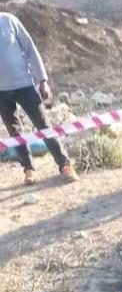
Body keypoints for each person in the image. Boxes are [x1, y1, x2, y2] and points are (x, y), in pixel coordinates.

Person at [0, 12, 78, 184]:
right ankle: (28, 170)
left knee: (43, 125)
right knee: (15, 132)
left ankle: (65, 165)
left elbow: (30, 49)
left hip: (24, 85)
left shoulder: (9, 21)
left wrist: (42, 80)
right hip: (1, 93)